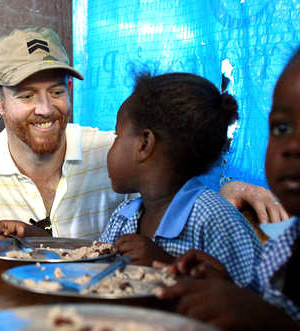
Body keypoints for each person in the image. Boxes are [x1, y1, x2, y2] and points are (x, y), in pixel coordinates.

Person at [0, 27, 288, 251]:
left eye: (57, 90)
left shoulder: (114, 153)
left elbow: (175, 172)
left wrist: (224, 190)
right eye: (26, 96)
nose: (46, 109)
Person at [155, 47, 300, 331]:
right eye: (282, 127)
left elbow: (267, 317)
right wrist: (225, 288)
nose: (293, 146)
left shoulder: (213, 215)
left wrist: (267, 320)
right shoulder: (283, 249)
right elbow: (259, 307)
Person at [95, 72, 262, 286]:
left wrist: (167, 265)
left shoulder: (214, 220)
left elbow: (248, 306)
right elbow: (94, 276)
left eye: (117, 135)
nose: (112, 148)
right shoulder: (123, 217)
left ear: (144, 144)